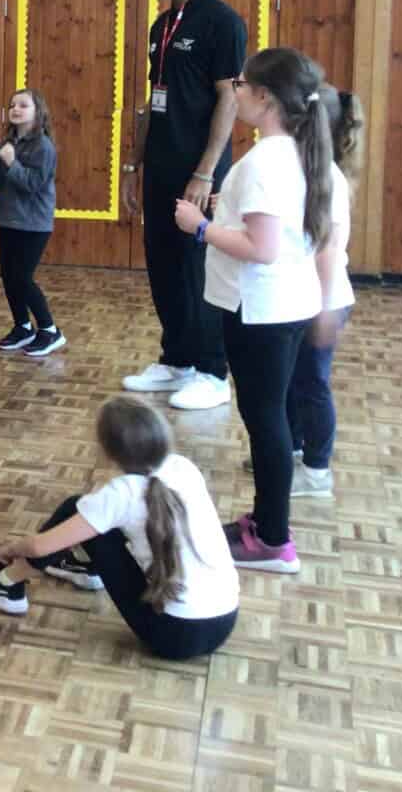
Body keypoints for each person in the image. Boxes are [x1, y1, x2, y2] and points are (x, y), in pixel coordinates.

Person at [173, 47, 331, 572]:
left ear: (264, 97)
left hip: (261, 310)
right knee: (272, 418)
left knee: (266, 424)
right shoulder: (296, 152)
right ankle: (266, 522)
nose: (235, 91)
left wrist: (199, 226)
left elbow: (261, 248)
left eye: (241, 84)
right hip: (284, 304)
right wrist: (226, 214)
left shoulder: (265, 161)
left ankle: (272, 539)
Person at [0, 396, 238, 661]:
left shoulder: (120, 494)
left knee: (76, 509)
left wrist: (11, 549)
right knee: (92, 516)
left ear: (108, 452)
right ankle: (83, 567)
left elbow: (39, 547)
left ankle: (6, 584)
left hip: (171, 634)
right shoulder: (184, 467)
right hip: (225, 622)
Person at [122, 0, 247, 407]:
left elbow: (228, 98)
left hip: (198, 171)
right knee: (163, 264)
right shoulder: (162, 25)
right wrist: (133, 164)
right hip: (160, 166)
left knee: (198, 268)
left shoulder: (221, 22)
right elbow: (152, 102)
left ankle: (212, 372)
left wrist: (205, 172)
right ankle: (176, 360)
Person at [281, 87, 362, 498]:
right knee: (294, 380)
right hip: (304, 297)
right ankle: (294, 450)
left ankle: (316, 471)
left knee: (313, 384)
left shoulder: (326, 178)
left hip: (324, 299)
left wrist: (325, 309)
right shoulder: (306, 170)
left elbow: (329, 250)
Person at [0, 87, 64, 356]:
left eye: (23, 105)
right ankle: (23, 326)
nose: (16, 109)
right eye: (13, 105)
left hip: (34, 224)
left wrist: (12, 163)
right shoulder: (8, 143)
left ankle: (50, 330)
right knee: (8, 276)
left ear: (38, 112)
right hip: (8, 220)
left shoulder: (43, 146)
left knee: (22, 278)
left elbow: (33, 185)